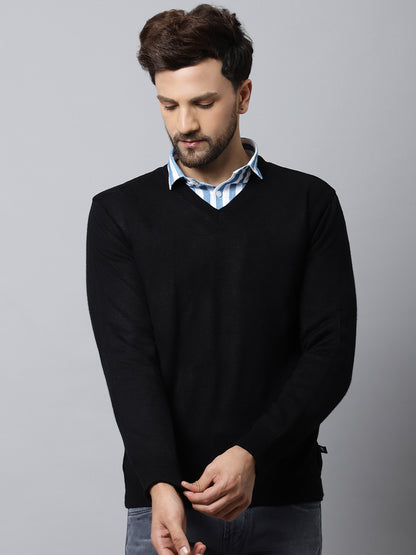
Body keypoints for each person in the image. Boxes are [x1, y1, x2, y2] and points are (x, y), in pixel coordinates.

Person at [86, 4, 357, 555]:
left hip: (282, 502)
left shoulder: (310, 204)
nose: (184, 124)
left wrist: (252, 454)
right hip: (167, 506)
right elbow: (128, 362)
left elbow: (330, 353)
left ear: (244, 94)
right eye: (169, 104)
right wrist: (159, 484)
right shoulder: (119, 214)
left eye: (203, 103)